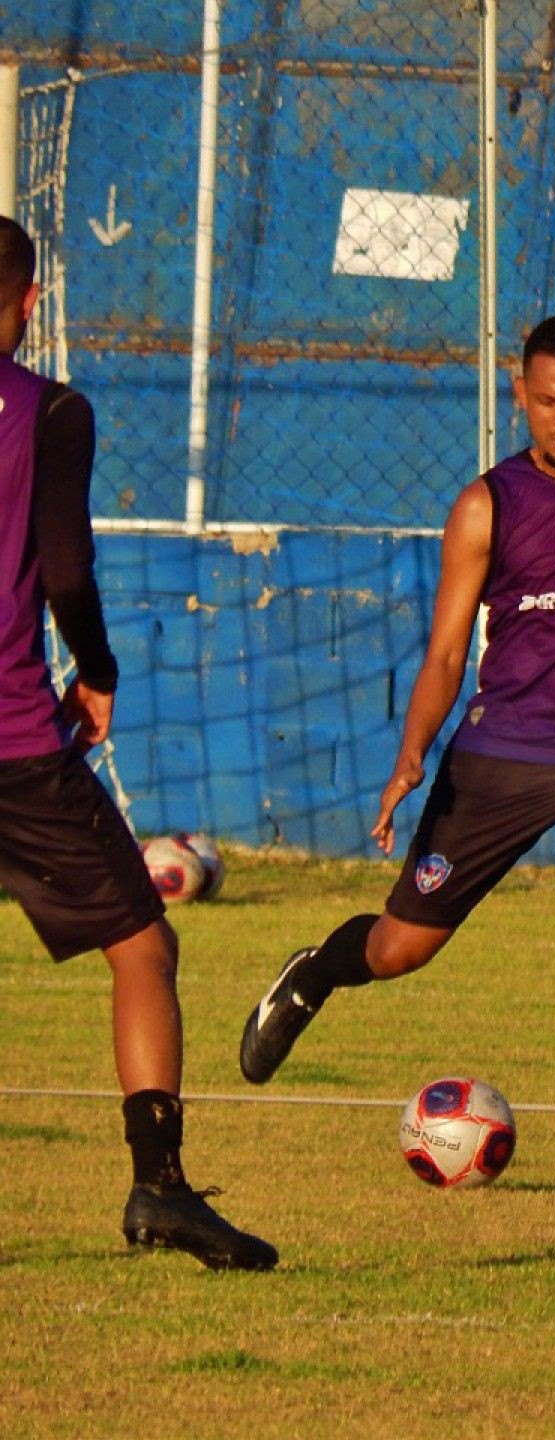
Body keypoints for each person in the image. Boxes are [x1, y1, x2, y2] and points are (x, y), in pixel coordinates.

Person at [237, 313, 555, 1195]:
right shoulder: (487, 505)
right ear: (520, 394)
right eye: (547, 401)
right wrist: (411, 756)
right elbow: (443, 654)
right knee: (402, 948)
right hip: (504, 755)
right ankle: (315, 974)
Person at [0, 218, 275, 1269]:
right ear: (31, 302)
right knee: (143, 947)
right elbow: (66, 570)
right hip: (14, 740)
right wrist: (98, 671)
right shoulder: (49, 411)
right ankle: (159, 1190)